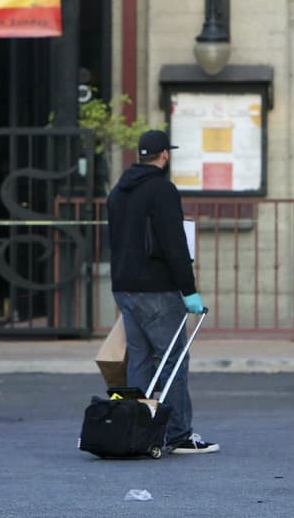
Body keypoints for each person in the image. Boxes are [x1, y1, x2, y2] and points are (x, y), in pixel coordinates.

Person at [107, 128, 219, 455]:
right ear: (164, 155)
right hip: (156, 289)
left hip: (124, 288)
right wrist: (190, 291)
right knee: (173, 362)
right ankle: (179, 434)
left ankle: (136, 431)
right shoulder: (162, 190)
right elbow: (174, 244)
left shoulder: (118, 192)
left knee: (139, 360)